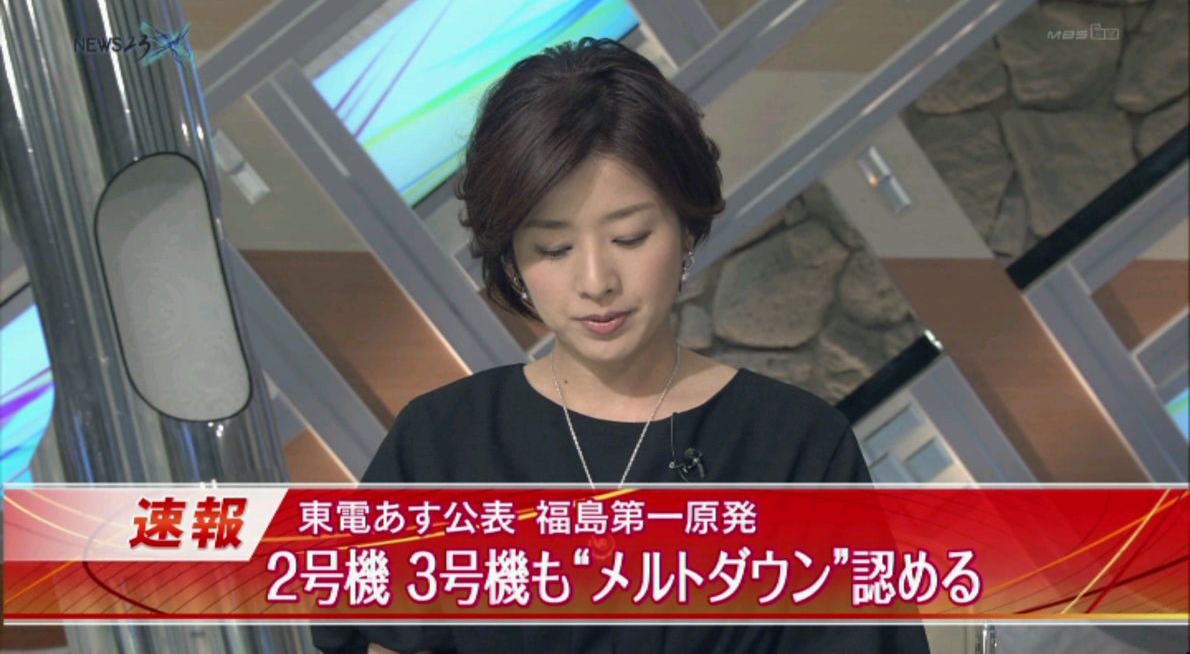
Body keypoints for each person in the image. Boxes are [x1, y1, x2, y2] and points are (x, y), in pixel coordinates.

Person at [313, 37, 930, 654]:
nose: (596, 282)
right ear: (513, 260)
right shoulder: (443, 442)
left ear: (685, 229)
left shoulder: (795, 445)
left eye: (630, 237)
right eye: (554, 249)